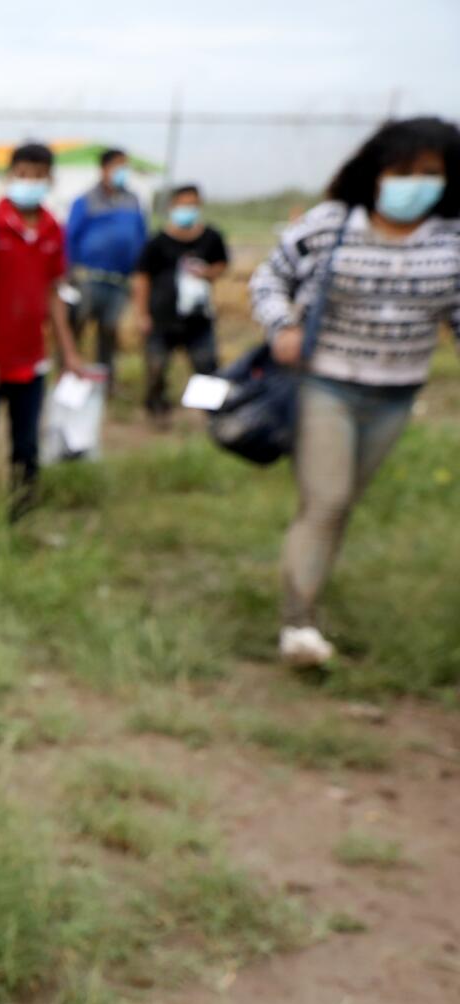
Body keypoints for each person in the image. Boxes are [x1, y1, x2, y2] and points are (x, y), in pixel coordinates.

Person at [249, 117, 460, 667]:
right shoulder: (329, 225)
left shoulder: (451, 238)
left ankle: (308, 595)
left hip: (396, 392)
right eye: (402, 171)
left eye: (429, 173)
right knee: (327, 498)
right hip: (327, 383)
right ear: (376, 171)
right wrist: (282, 327)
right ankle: (297, 625)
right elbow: (268, 279)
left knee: (340, 505)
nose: (414, 182)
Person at [0, 142, 84, 508]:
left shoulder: (52, 230)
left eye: (39, 175)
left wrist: (69, 353)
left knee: (26, 444)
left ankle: (23, 509)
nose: (30, 181)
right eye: (23, 174)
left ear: (50, 179)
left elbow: (54, 294)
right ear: (10, 176)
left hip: (31, 360)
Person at [132, 183, 228, 426]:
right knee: (156, 366)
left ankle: (212, 417)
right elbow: (141, 279)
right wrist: (141, 314)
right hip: (161, 318)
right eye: (183, 205)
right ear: (172, 207)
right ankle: (157, 410)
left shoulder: (211, 237)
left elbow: (221, 265)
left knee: (207, 364)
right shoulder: (157, 242)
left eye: (192, 205)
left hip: (198, 318)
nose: (188, 210)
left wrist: (207, 272)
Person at [64, 146, 145, 384]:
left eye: (125, 167)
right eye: (117, 166)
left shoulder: (133, 200)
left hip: (119, 281)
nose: (122, 172)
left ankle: (104, 384)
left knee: (109, 332)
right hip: (87, 279)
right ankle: (68, 376)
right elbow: (71, 237)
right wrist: (70, 272)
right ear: (104, 168)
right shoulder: (85, 200)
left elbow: (140, 236)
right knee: (76, 327)